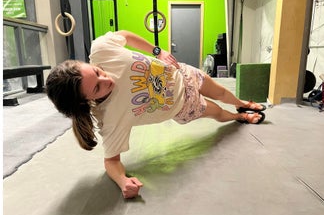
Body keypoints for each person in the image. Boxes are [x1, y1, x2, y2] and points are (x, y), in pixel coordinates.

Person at [46, 30, 267, 199]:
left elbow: (124, 35)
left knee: (221, 92)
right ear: (86, 101)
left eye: (96, 72)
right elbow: (111, 161)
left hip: (181, 72)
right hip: (183, 105)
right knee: (217, 112)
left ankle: (241, 104)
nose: (107, 80)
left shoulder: (102, 50)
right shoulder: (109, 118)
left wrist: (157, 51)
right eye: (97, 88)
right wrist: (123, 182)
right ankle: (239, 117)